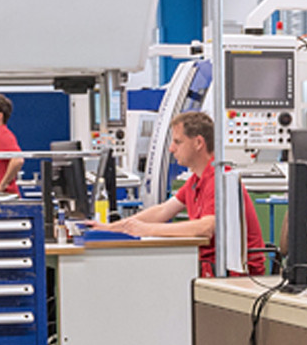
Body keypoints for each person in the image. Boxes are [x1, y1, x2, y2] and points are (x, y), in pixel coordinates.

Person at [92, 111, 265, 276]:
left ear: (198, 143)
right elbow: (162, 211)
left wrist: (146, 229)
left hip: (234, 275)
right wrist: (113, 228)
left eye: (177, 142)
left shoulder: (219, 179)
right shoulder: (195, 181)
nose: (171, 149)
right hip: (209, 267)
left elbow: (205, 228)